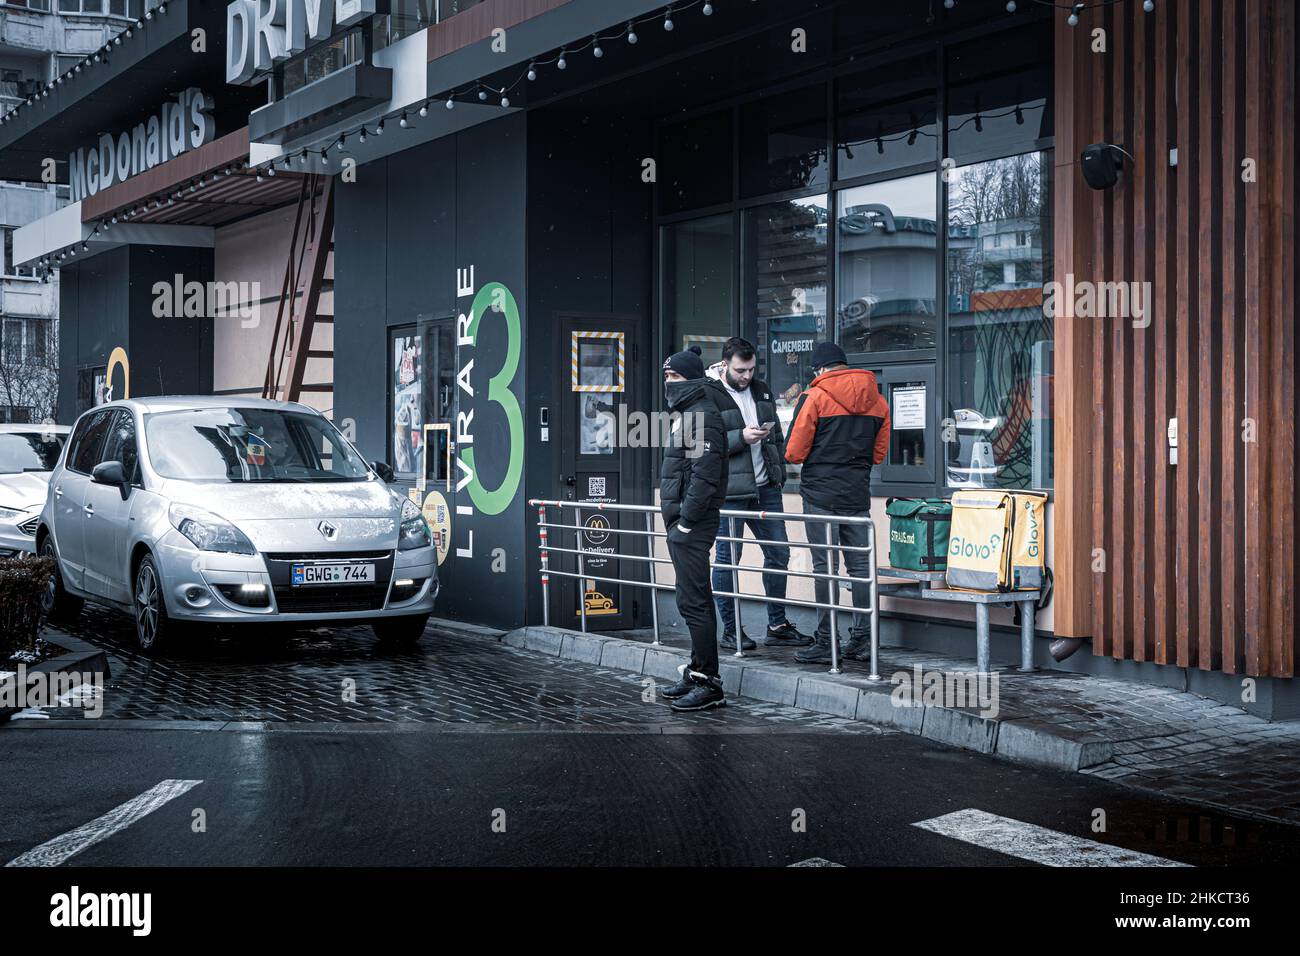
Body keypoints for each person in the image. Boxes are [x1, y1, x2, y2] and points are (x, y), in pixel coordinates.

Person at [783, 341, 890, 664]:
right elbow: (879, 454)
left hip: (820, 496)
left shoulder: (814, 397)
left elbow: (793, 452)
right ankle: (863, 639)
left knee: (825, 568)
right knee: (860, 567)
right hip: (856, 494)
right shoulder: (878, 401)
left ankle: (828, 641)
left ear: (819, 369)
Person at [706, 337, 811, 650]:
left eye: (751, 369)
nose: (746, 376)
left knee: (779, 553)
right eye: (741, 370)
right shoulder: (709, 393)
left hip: (766, 488)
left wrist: (777, 468)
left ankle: (777, 625)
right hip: (729, 492)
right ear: (724, 365)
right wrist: (741, 437)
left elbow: (777, 434)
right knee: (728, 559)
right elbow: (701, 443)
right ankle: (730, 630)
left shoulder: (761, 389)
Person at [658, 346, 730, 711]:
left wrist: (685, 522)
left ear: (692, 380)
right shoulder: (688, 413)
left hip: (693, 525)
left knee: (697, 602)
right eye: (666, 376)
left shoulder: (703, 417)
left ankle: (710, 683)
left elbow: (704, 477)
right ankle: (697, 673)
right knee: (689, 599)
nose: (668, 383)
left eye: (674, 377)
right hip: (682, 523)